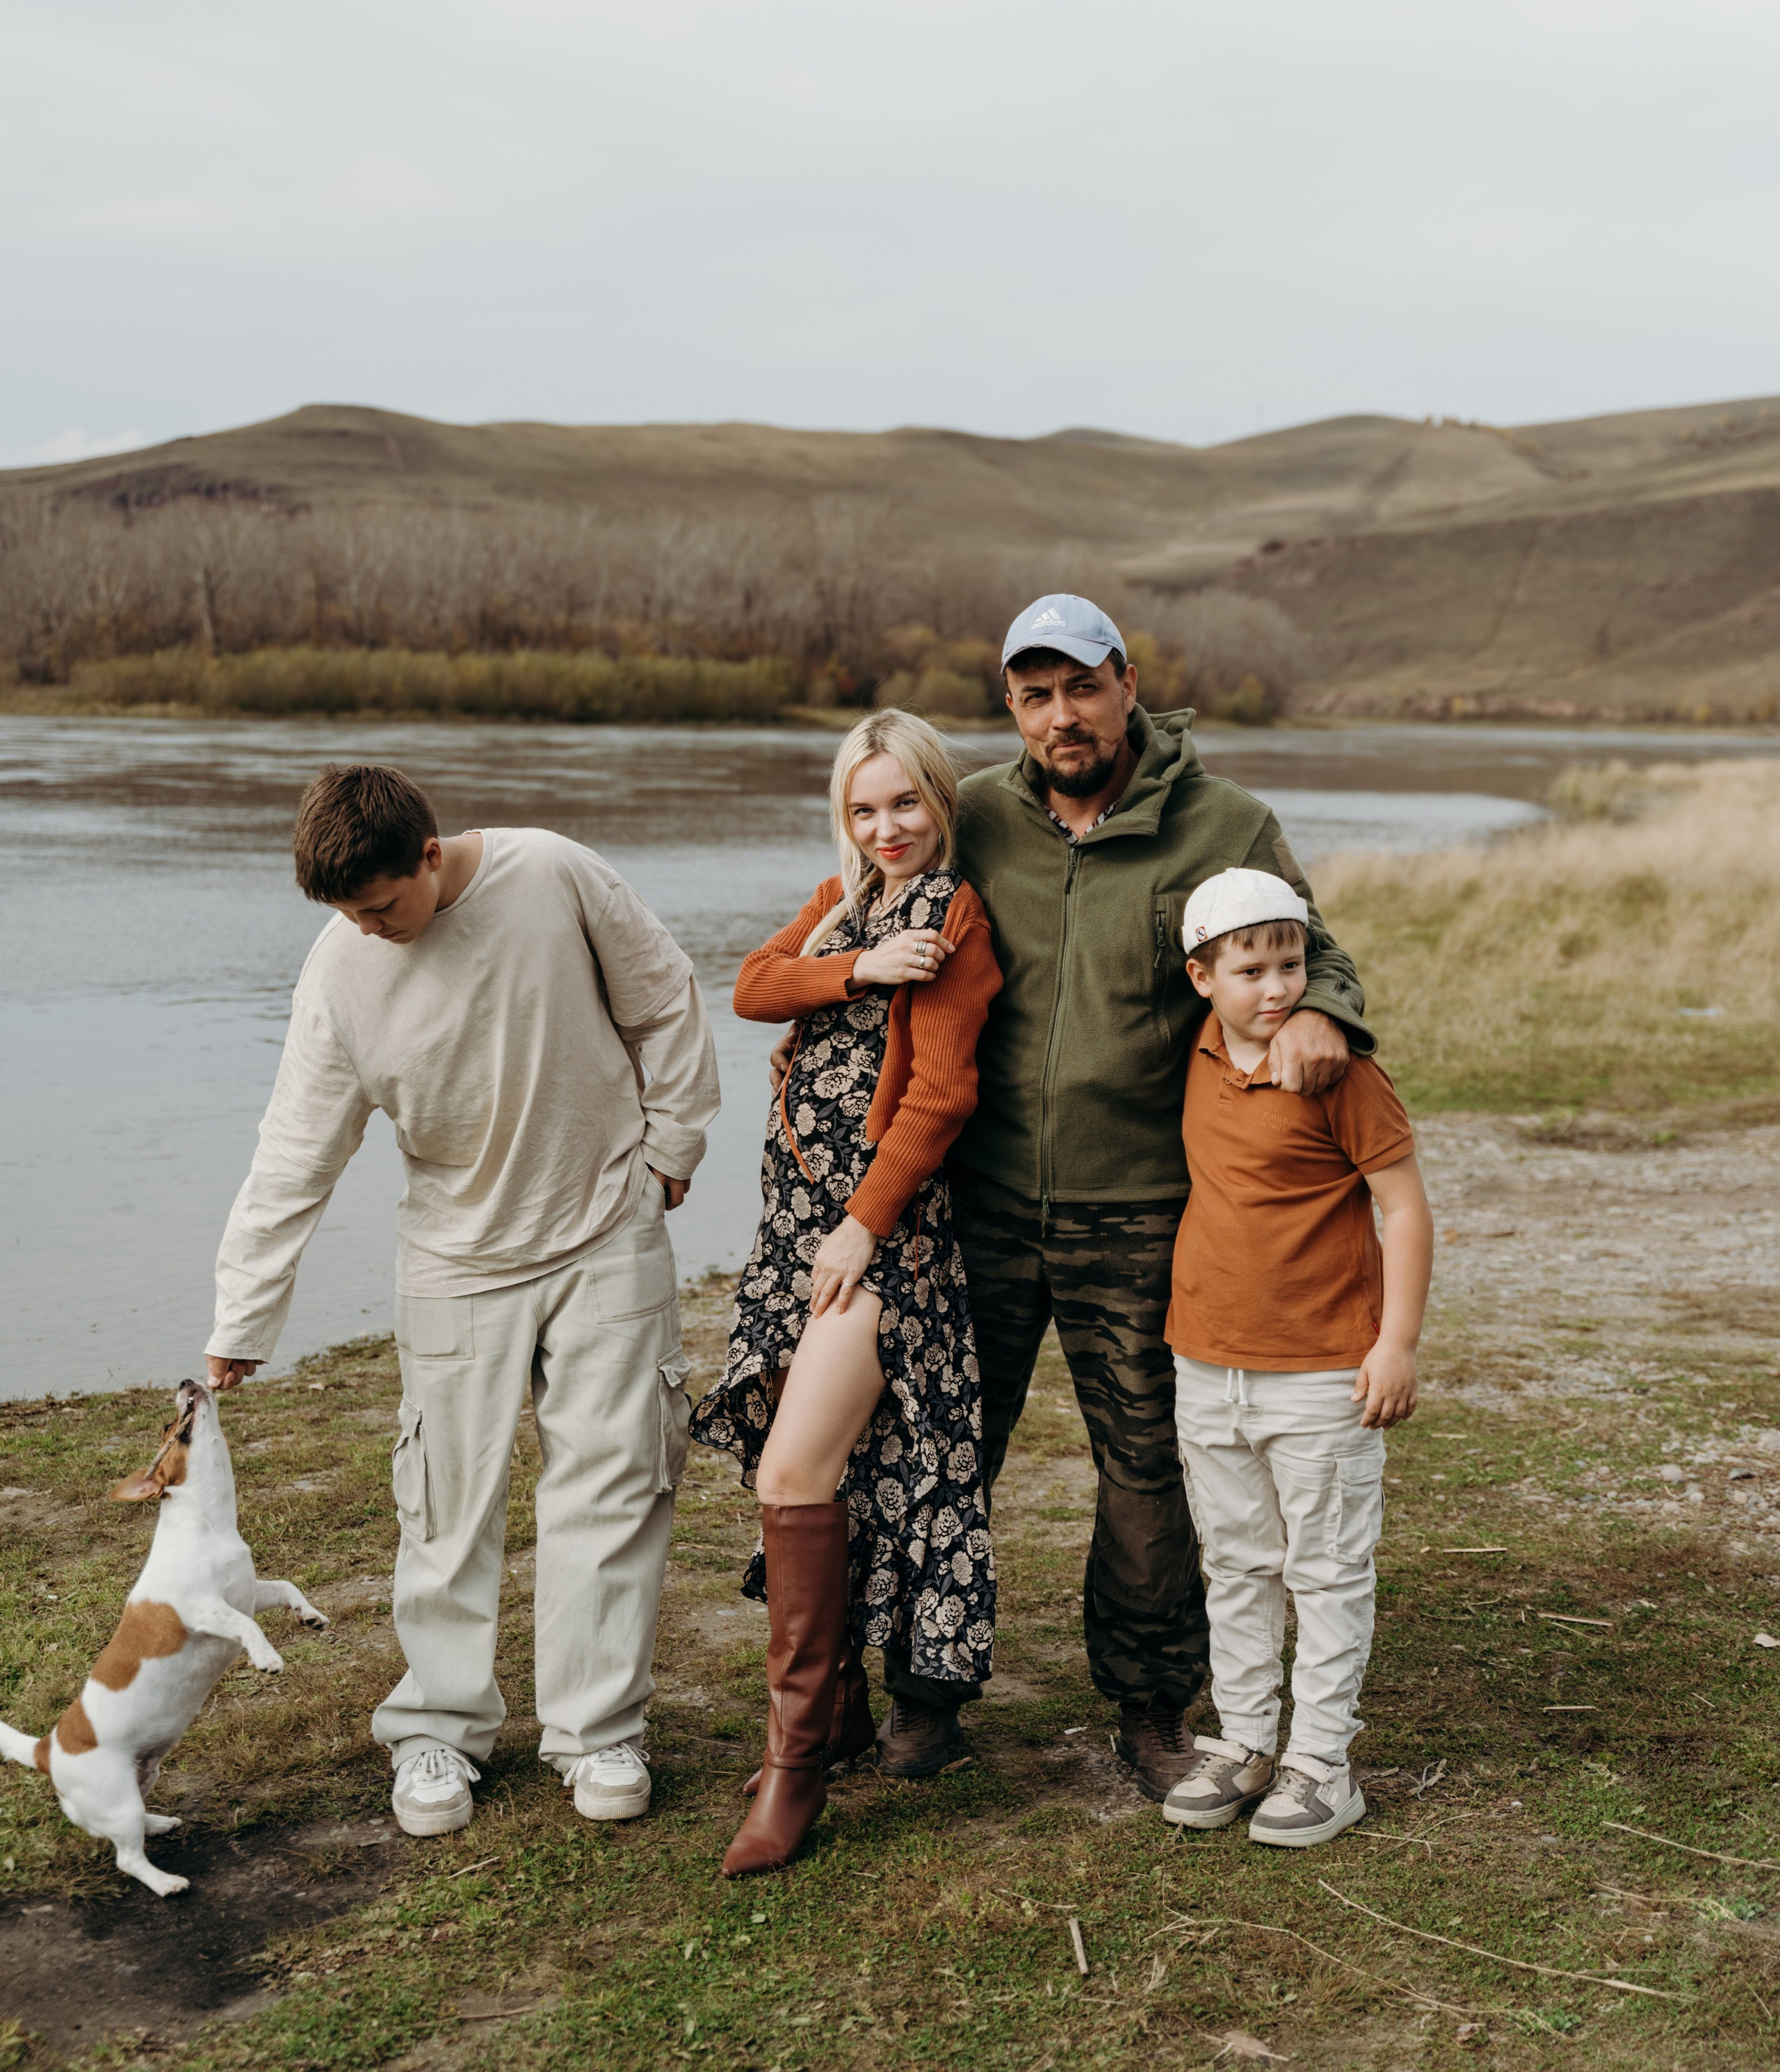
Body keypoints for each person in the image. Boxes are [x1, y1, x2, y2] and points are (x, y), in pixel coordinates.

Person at [872, 592, 1377, 1797]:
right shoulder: (975, 814)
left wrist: (1316, 1011)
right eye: (1036, 694)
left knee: (1147, 1467)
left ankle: (1153, 1708)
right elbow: (871, 902)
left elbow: (1331, 953)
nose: (1063, 715)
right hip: (980, 1201)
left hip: (1147, 1208)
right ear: (1011, 705)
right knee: (944, 1449)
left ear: (1128, 683)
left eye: (1082, 687)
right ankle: (921, 1696)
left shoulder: (1226, 822)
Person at [205, 763, 719, 1839]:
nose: (370, 927)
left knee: (616, 1483)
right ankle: (438, 1728)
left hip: (602, 1230)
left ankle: (597, 1732)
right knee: (443, 1505)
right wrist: (242, 1320)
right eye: (347, 914)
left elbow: (664, 995)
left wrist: (673, 1144)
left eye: (383, 904)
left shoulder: (554, 874)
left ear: (430, 856)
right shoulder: (342, 970)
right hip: (454, 1255)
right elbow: (296, 1152)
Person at [691, 710, 1003, 1876]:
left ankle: (797, 1766)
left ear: (941, 800)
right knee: (830, 1474)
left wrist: (863, 1233)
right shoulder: (845, 902)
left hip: (884, 1246)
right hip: (794, 1233)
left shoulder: (954, 919)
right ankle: (835, 1719)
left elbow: (937, 1099)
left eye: (907, 804)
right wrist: (855, 966)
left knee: (792, 1471)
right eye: (867, 809)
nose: (888, 828)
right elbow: (753, 987)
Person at [1160, 868, 1433, 1847]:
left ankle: (1323, 1763)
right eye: (1251, 969)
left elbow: (1403, 1208)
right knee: (1235, 1562)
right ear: (1203, 978)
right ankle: (1244, 1742)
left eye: (1291, 965)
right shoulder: (1189, 1052)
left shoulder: (1339, 1072)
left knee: (1323, 1568)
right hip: (1207, 1361)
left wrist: (1395, 1344)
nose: (1275, 988)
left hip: (1323, 1367)